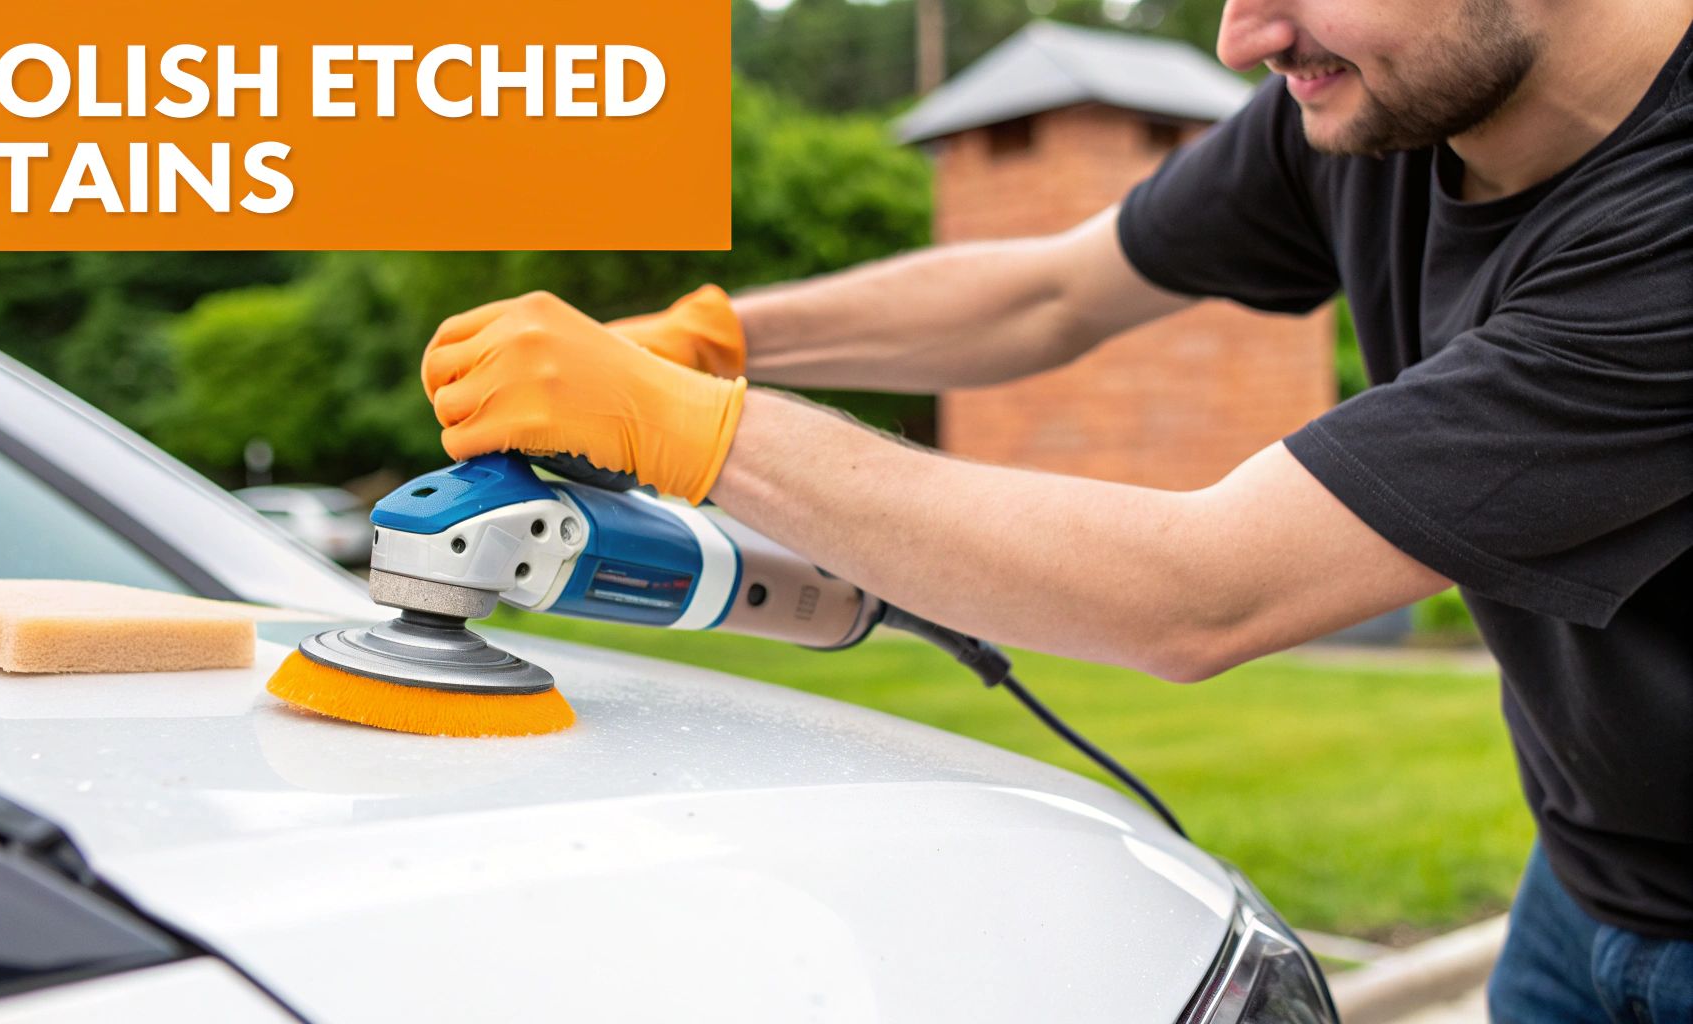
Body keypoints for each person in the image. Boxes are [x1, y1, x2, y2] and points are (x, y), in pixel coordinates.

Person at [418, 0, 1693, 1018]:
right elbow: (1050, 292)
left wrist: (695, 430)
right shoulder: (1382, 99)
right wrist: (715, 338)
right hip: (1582, 883)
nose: (1240, 39)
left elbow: (1201, 589)